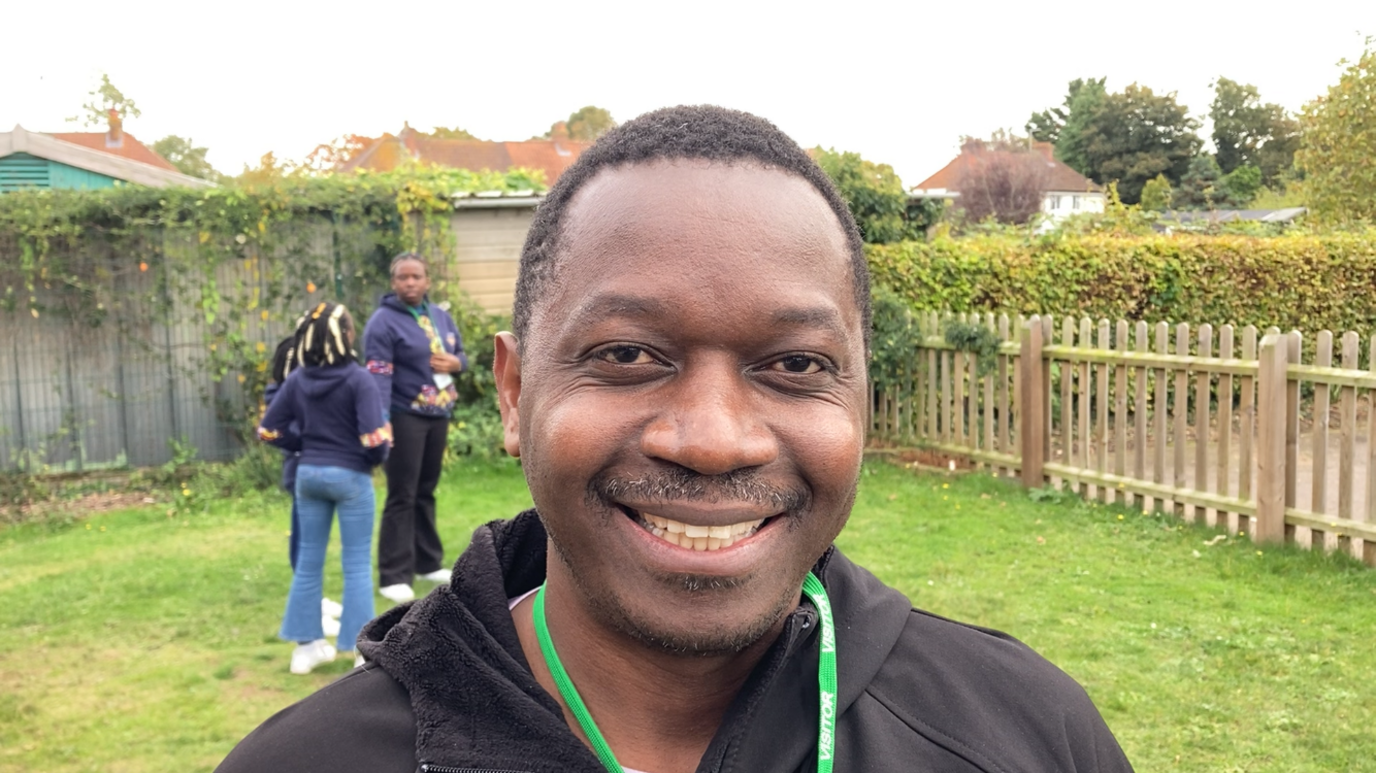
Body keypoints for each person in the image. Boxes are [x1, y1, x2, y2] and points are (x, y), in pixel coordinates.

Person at [219, 107, 1134, 771]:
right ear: (513, 389)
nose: (712, 441)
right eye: (627, 353)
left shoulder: (1029, 736)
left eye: (796, 365)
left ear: (862, 401)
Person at [257, 302, 391, 675]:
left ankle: (306, 650)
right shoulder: (358, 378)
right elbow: (372, 436)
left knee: (308, 563)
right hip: (350, 478)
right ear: (347, 335)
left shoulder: (297, 379)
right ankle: (360, 653)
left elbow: (268, 429)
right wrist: (377, 456)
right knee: (356, 563)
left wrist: (299, 445)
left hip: (308, 475)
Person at [363, 252, 468, 603]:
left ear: (427, 281)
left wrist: (457, 363)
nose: (410, 283)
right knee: (402, 494)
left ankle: (427, 561)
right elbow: (377, 375)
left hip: (438, 414)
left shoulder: (440, 316)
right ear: (393, 283)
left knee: (426, 489)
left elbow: (461, 357)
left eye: (416, 277)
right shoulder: (383, 322)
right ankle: (393, 574)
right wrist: (380, 421)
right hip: (403, 416)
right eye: (403, 277)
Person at [264, 333, 344, 637]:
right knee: (305, 546)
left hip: (315, 471)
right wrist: (310, 441)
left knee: (314, 544)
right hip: (301, 473)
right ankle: (308, 613)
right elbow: (274, 431)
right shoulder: (283, 394)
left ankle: (315, 600)